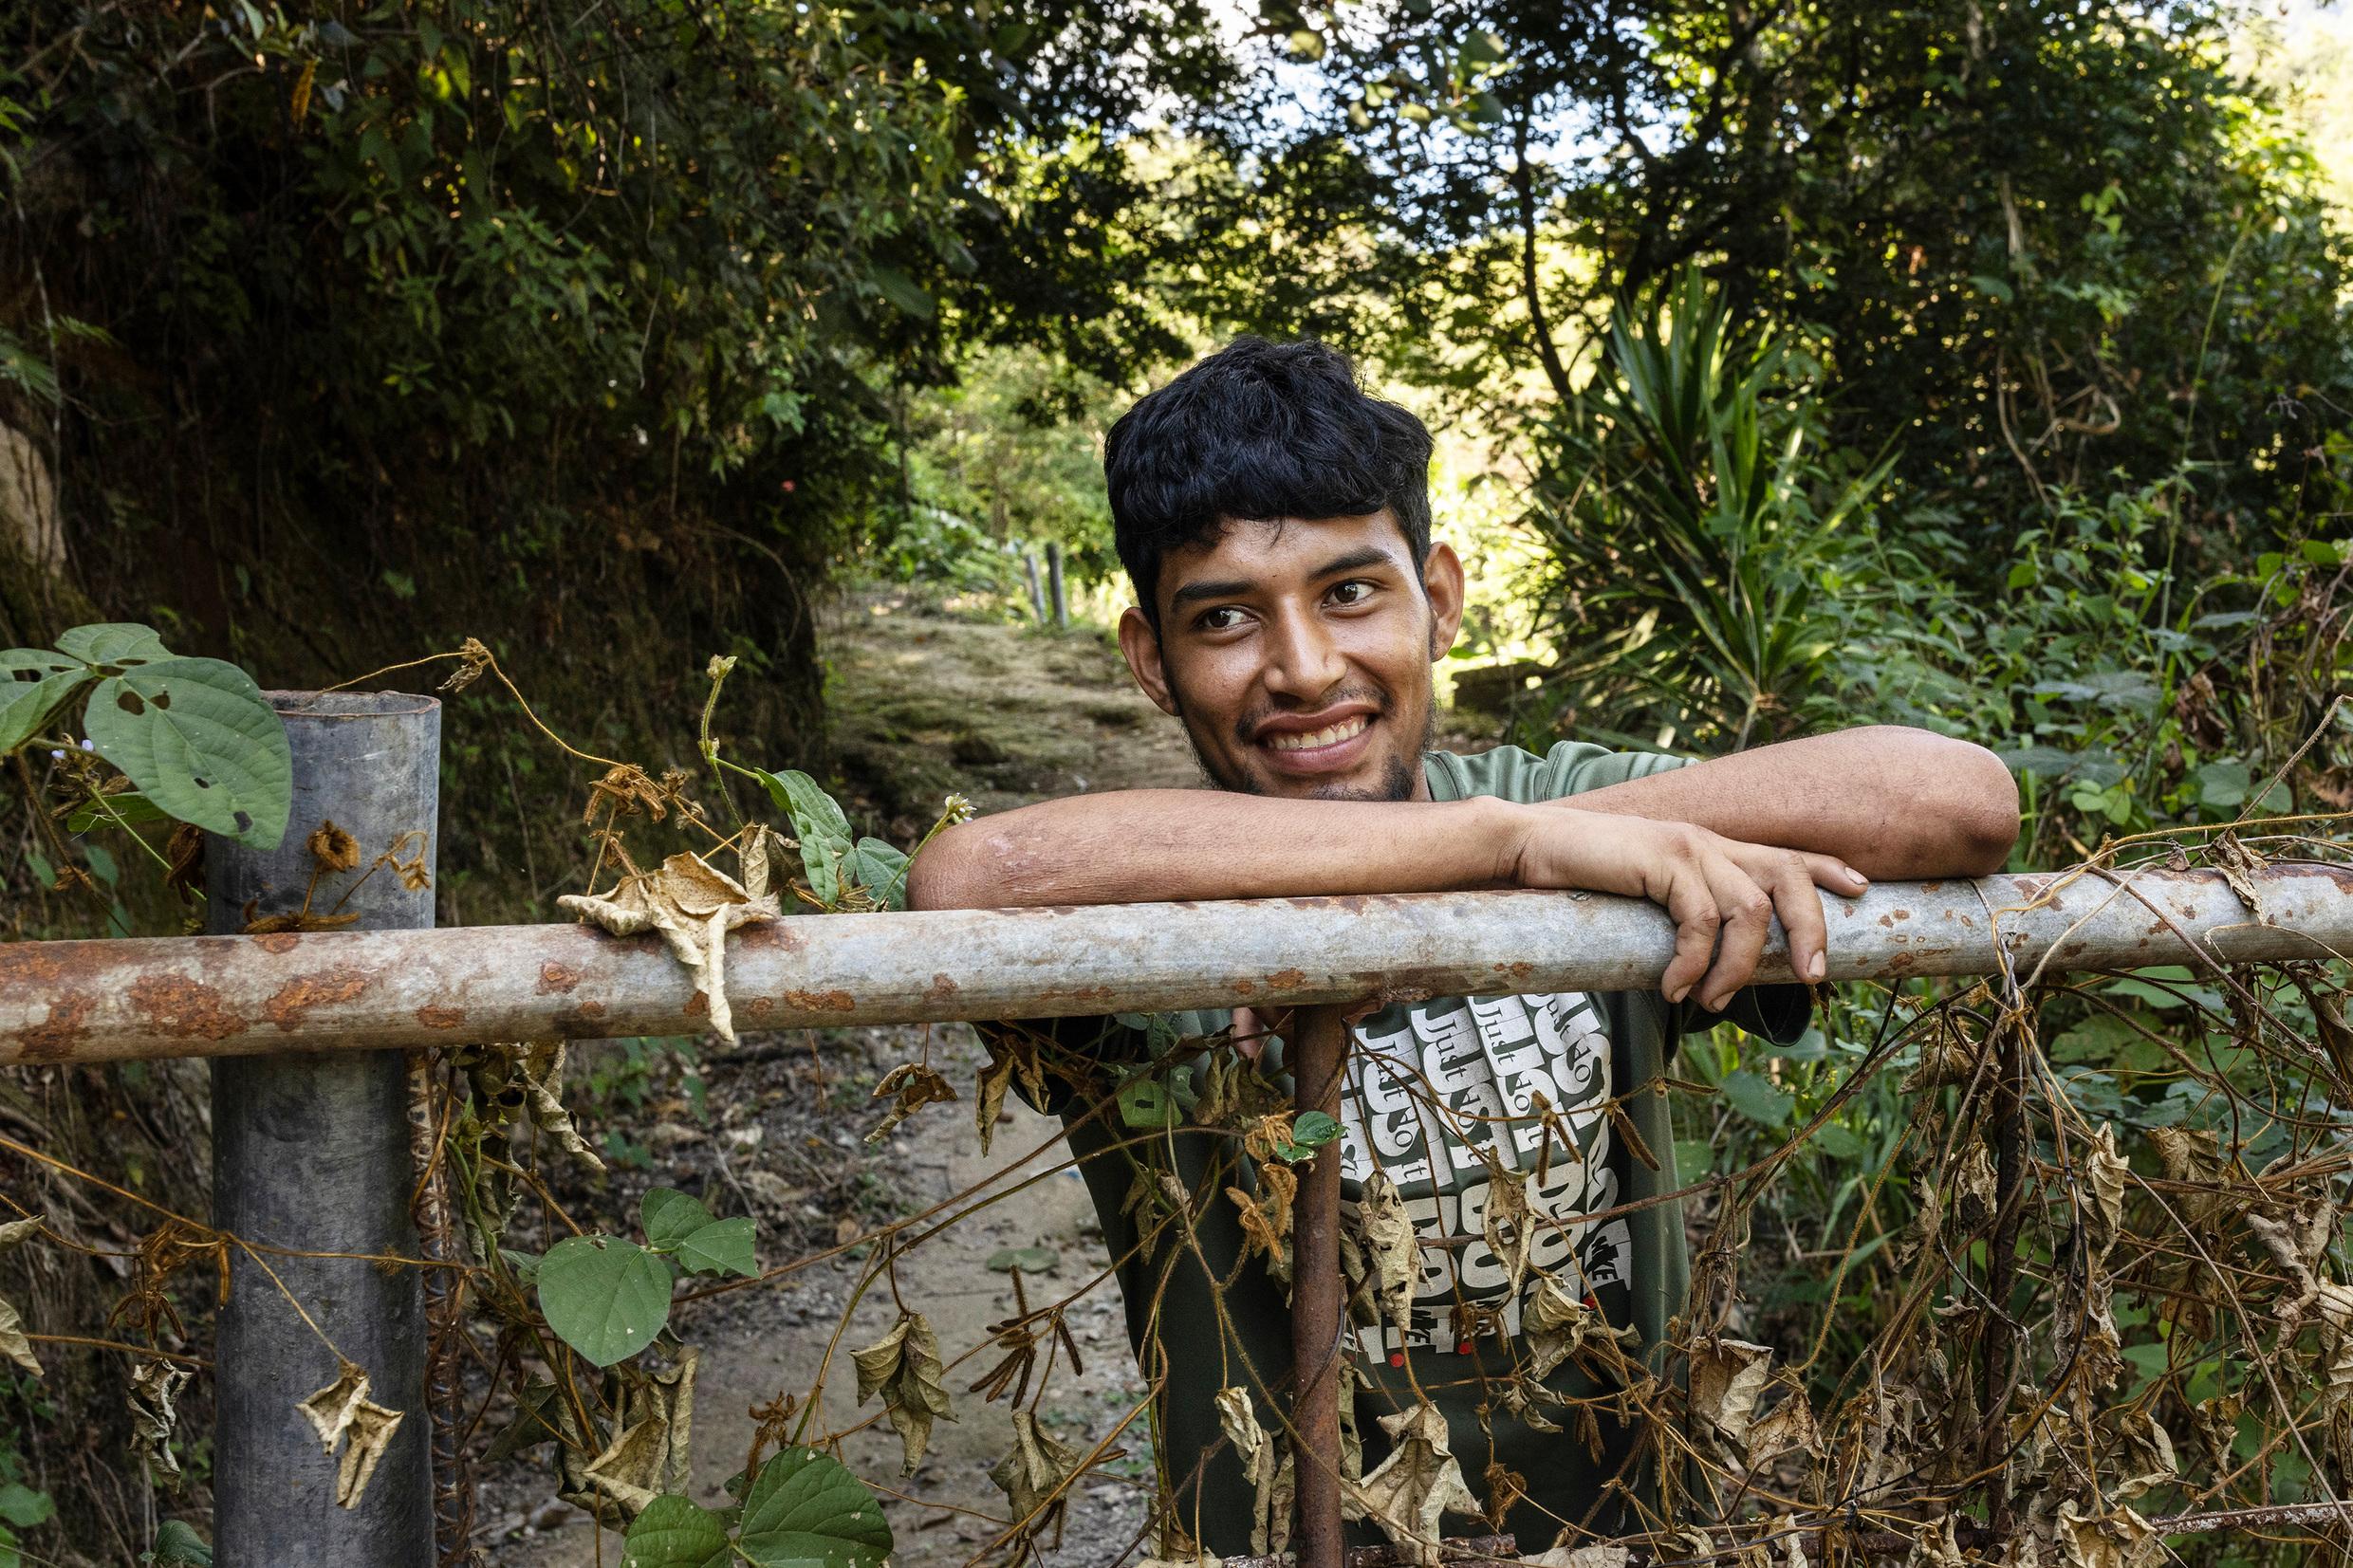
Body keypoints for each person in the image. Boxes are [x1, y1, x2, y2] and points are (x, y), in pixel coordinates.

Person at [906, 338, 2019, 1555]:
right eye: (1223, 617)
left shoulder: (1557, 799)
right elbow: (968, 875)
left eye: (1348, 593)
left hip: (1629, 1536)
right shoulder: (1202, 887)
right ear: (1150, 664)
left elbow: (1956, 798)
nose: (1304, 668)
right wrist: (1490, 850)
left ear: (1435, 598)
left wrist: (1521, 836)